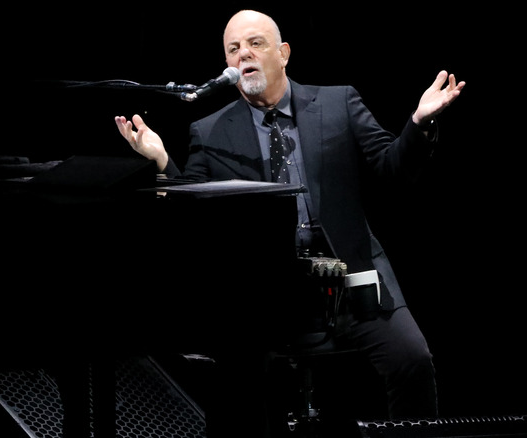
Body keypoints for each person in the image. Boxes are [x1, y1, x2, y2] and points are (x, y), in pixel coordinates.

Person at [115, 9, 465, 438]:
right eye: (233, 49)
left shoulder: (338, 103)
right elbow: (194, 212)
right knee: (238, 384)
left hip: (351, 278)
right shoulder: (210, 130)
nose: (244, 54)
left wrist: (418, 124)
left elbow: (392, 169)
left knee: (413, 360)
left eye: (255, 44)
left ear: (283, 53)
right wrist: (163, 161)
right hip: (269, 291)